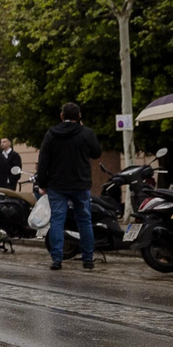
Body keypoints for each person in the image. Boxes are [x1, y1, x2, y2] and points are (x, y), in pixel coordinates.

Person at [36, 101, 103, 271]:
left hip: (57, 185)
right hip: (80, 184)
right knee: (84, 221)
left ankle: (57, 259)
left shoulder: (51, 134)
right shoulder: (86, 133)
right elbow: (96, 153)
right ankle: (88, 259)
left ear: (61, 116)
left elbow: (43, 161)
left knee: (57, 221)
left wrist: (42, 183)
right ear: (79, 116)